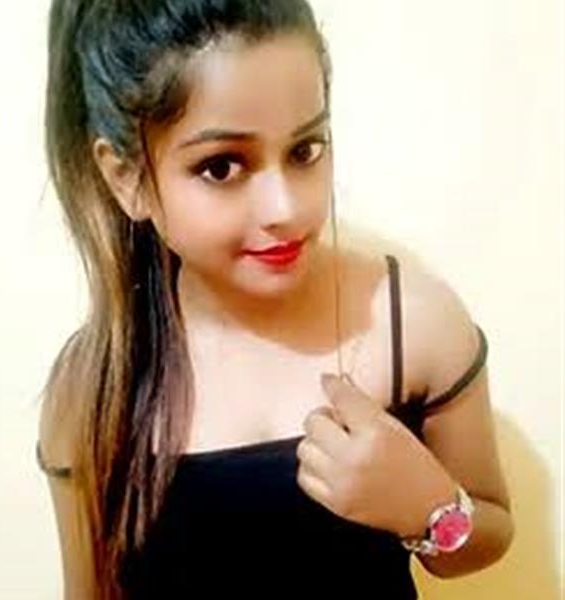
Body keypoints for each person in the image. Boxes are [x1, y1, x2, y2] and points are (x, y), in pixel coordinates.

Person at [36, 1, 515, 598]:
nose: (285, 208)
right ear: (125, 178)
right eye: (221, 167)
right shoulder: (93, 390)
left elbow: (491, 531)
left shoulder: (411, 323)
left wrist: (429, 510)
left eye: (305, 149)